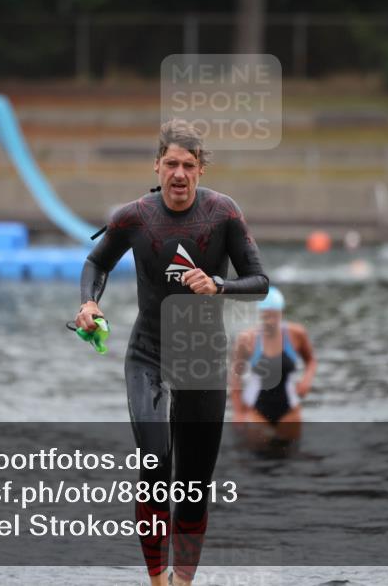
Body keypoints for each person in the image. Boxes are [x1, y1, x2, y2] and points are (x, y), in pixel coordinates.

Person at [75, 119, 268, 586]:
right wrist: (89, 302)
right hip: (149, 355)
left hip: (201, 358)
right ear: (156, 166)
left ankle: (182, 583)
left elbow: (260, 283)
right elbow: (96, 261)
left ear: (200, 170)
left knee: (195, 482)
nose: (178, 174)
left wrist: (219, 284)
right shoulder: (134, 216)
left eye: (188, 165)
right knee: (156, 461)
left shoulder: (223, 214)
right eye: (171, 164)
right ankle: (156, 580)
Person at [229, 287, 317, 443]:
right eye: (265, 315)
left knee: (291, 457)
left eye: (274, 315)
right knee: (257, 460)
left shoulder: (296, 334)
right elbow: (235, 375)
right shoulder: (247, 339)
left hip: (289, 408)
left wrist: (306, 381)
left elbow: (311, 360)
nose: (269, 320)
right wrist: (238, 411)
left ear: (281, 313)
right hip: (257, 409)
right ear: (260, 314)